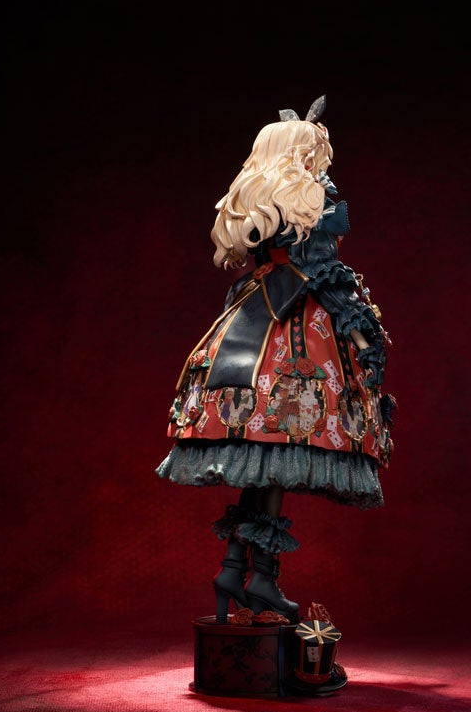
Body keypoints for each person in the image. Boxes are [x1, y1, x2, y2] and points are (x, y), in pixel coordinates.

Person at [156, 96, 396, 624]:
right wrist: (362, 337)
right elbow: (326, 275)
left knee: (264, 453)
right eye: (316, 152)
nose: (322, 162)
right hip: (297, 323)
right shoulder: (312, 198)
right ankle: (259, 576)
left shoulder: (260, 197)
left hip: (252, 314)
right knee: (279, 444)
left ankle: (236, 569)